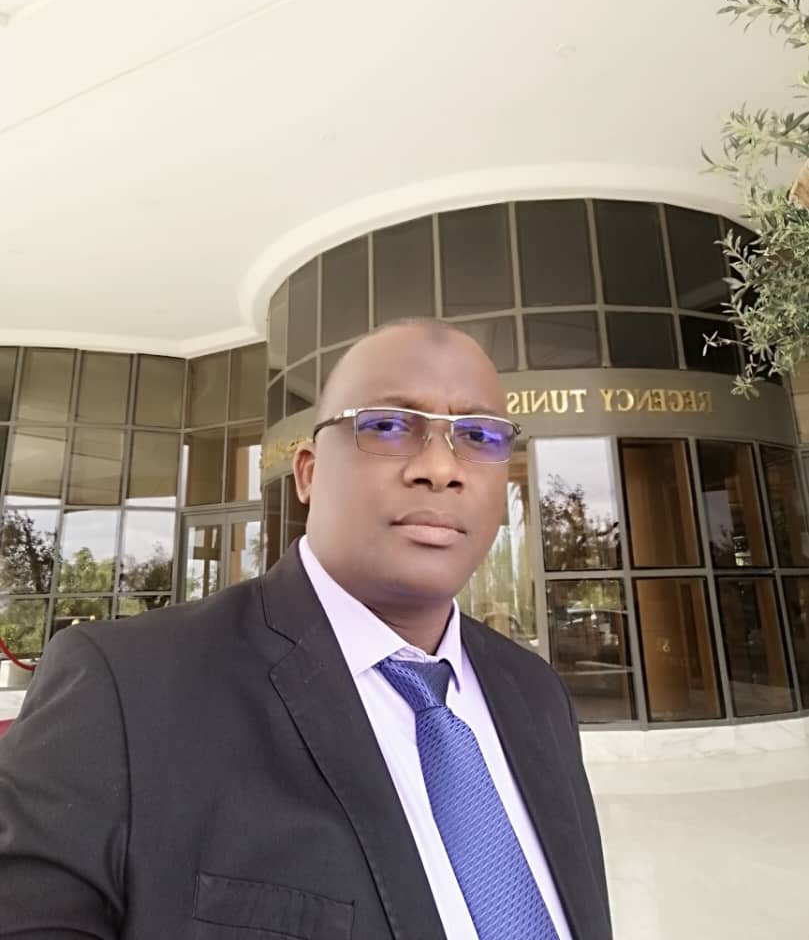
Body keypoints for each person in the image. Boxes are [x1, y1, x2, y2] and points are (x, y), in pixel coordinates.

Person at [0, 319, 612, 939]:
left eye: (478, 435)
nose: (439, 467)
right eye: (388, 425)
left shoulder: (537, 695)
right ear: (309, 474)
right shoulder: (125, 689)